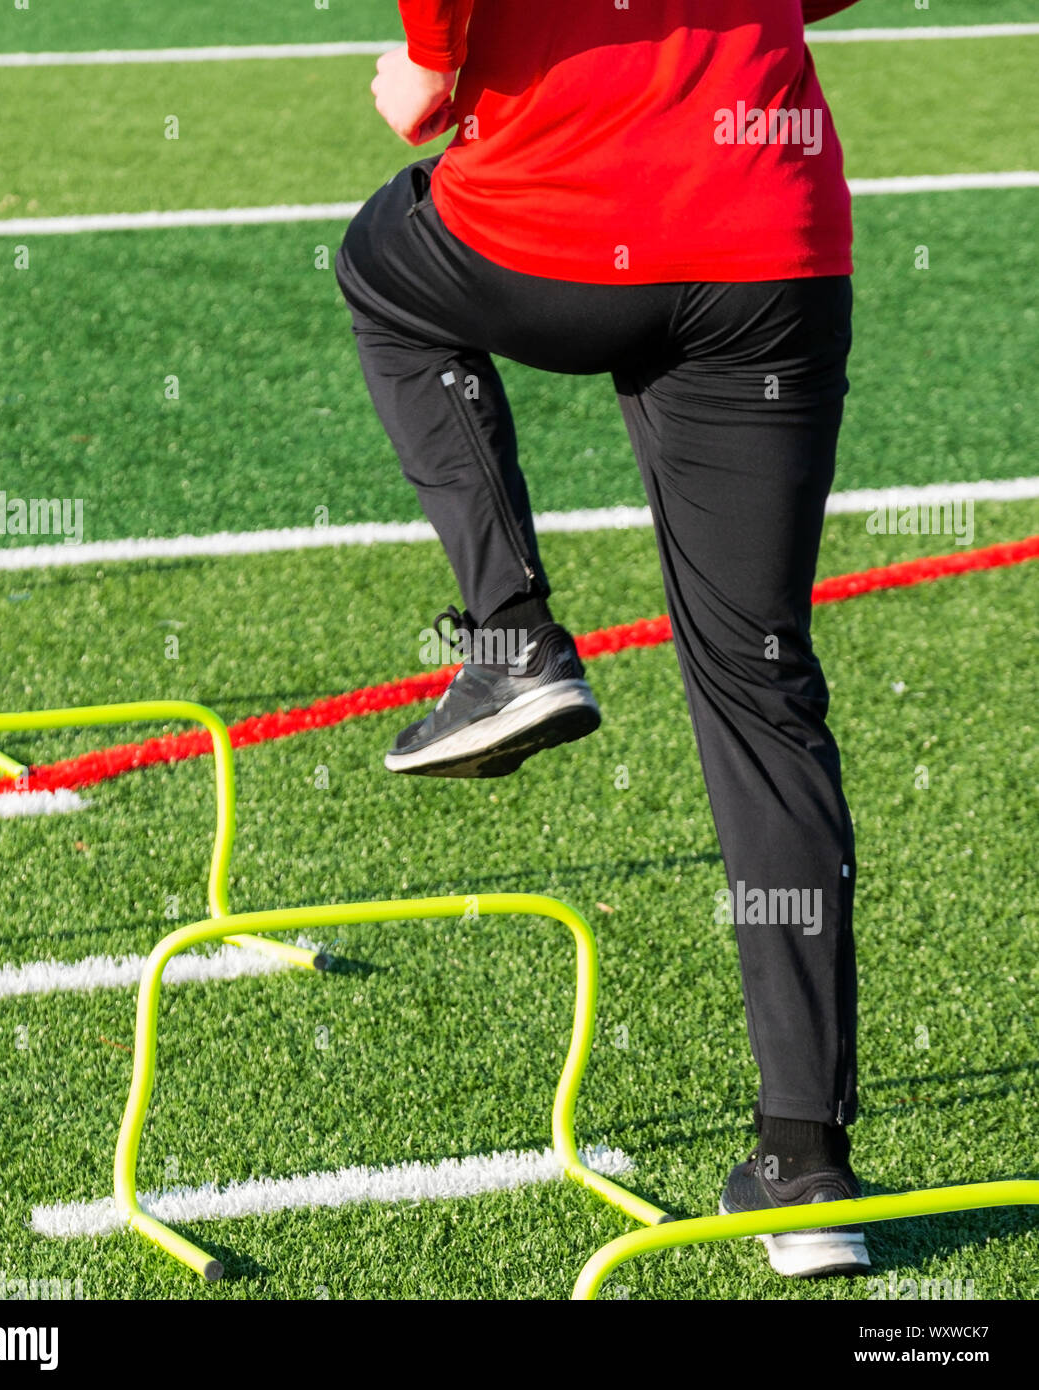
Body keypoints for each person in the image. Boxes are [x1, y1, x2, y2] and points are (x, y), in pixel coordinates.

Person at [336, 1, 867, 1277]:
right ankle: (805, 1165)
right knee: (762, 694)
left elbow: (427, 69)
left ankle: (511, 637)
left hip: (556, 218)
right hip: (766, 233)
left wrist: (426, 69)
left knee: (380, 270)